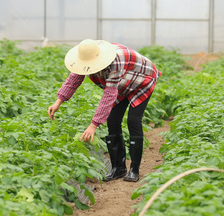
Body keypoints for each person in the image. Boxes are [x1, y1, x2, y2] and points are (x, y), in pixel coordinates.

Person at [47, 39, 161, 182]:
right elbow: (73, 80)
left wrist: (93, 125)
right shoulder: (86, 58)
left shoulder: (114, 62)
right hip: (123, 80)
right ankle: (118, 168)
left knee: (133, 120)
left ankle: (134, 169)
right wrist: (58, 101)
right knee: (113, 120)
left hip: (142, 78)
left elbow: (109, 96)